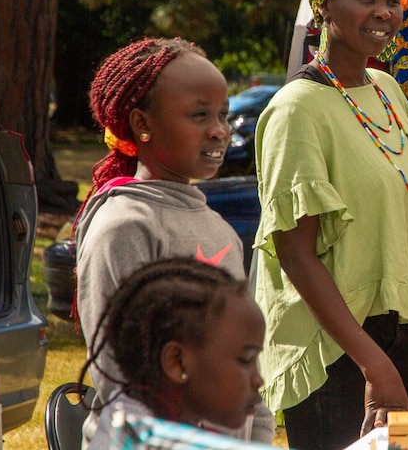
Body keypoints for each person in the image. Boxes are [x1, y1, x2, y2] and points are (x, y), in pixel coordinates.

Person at [252, 0, 408, 450]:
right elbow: (296, 255)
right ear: (325, 6)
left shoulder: (389, 91)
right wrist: (372, 363)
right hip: (335, 354)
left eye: (392, 0)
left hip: (395, 340)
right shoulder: (296, 110)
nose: (385, 12)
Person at [74, 37, 274, 447]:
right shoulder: (124, 227)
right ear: (142, 124)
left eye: (223, 114)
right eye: (199, 115)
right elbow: (121, 379)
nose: (219, 130)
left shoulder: (218, 229)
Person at [80, 258, 268, 449]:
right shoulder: (141, 439)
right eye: (245, 360)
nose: (258, 380)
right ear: (177, 362)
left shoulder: (128, 416)